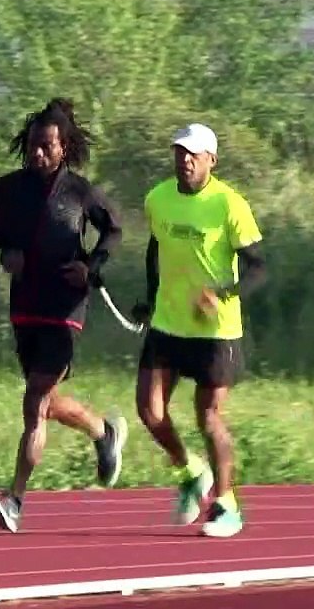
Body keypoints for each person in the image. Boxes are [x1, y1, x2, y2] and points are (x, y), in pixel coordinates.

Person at [0, 97, 129, 534]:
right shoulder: (8, 188)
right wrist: (5, 252)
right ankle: (104, 432)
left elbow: (114, 228)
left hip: (66, 308)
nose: (38, 153)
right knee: (42, 402)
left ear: (64, 148)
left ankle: (15, 501)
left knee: (33, 404)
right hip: (26, 305)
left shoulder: (81, 192)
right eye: (33, 145)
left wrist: (92, 264)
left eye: (47, 146)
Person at [131, 122, 268, 539]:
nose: (184, 159)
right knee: (149, 411)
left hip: (215, 331)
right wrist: (150, 298)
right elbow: (156, 250)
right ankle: (192, 473)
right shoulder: (158, 199)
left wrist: (225, 294)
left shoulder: (229, 205)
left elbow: (259, 267)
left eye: (193, 153)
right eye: (179, 151)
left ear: (212, 159)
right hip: (168, 324)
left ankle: (228, 506)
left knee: (208, 416)